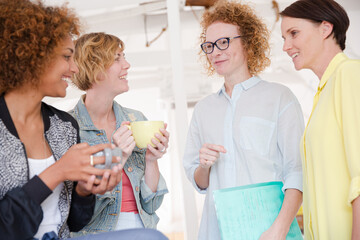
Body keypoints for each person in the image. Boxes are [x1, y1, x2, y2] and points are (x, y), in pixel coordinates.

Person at [0, 1, 169, 240]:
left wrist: (84, 190)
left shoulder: (64, 127)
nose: (75, 69)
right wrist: (59, 171)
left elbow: (76, 221)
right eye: (68, 57)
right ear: (33, 57)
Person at [183, 1, 305, 239]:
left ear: (248, 42)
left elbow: (297, 172)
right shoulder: (203, 109)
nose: (215, 52)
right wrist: (204, 166)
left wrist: (278, 230)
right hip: (216, 231)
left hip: (269, 230)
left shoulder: (280, 98)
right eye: (209, 46)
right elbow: (199, 182)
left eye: (224, 42)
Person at [69, 32, 169, 235]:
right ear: (94, 68)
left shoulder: (135, 118)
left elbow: (151, 205)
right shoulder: (69, 128)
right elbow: (78, 217)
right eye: (117, 58)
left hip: (143, 230)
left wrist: (151, 160)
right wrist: (116, 157)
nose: (127, 65)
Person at [280, 0, 360, 239]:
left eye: (293, 33)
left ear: (325, 29)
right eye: (284, 38)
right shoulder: (323, 92)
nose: (286, 46)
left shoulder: (349, 75)